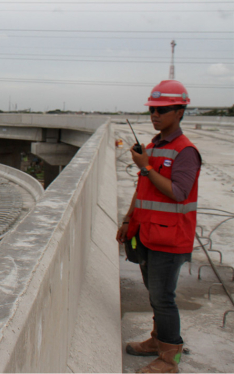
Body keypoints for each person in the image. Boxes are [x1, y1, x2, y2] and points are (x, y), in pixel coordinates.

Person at [116, 80, 200, 373]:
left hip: (171, 238)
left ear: (179, 112)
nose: (155, 114)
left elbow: (178, 192)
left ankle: (169, 359)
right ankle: (158, 340)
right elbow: (143, 191)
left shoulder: (185, 151)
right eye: (152, 109)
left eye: (162, 110)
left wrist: (146, 167)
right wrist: (128, 220)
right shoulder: (152, 147)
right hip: (148, 234)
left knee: (164, 298)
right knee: (155, 294)